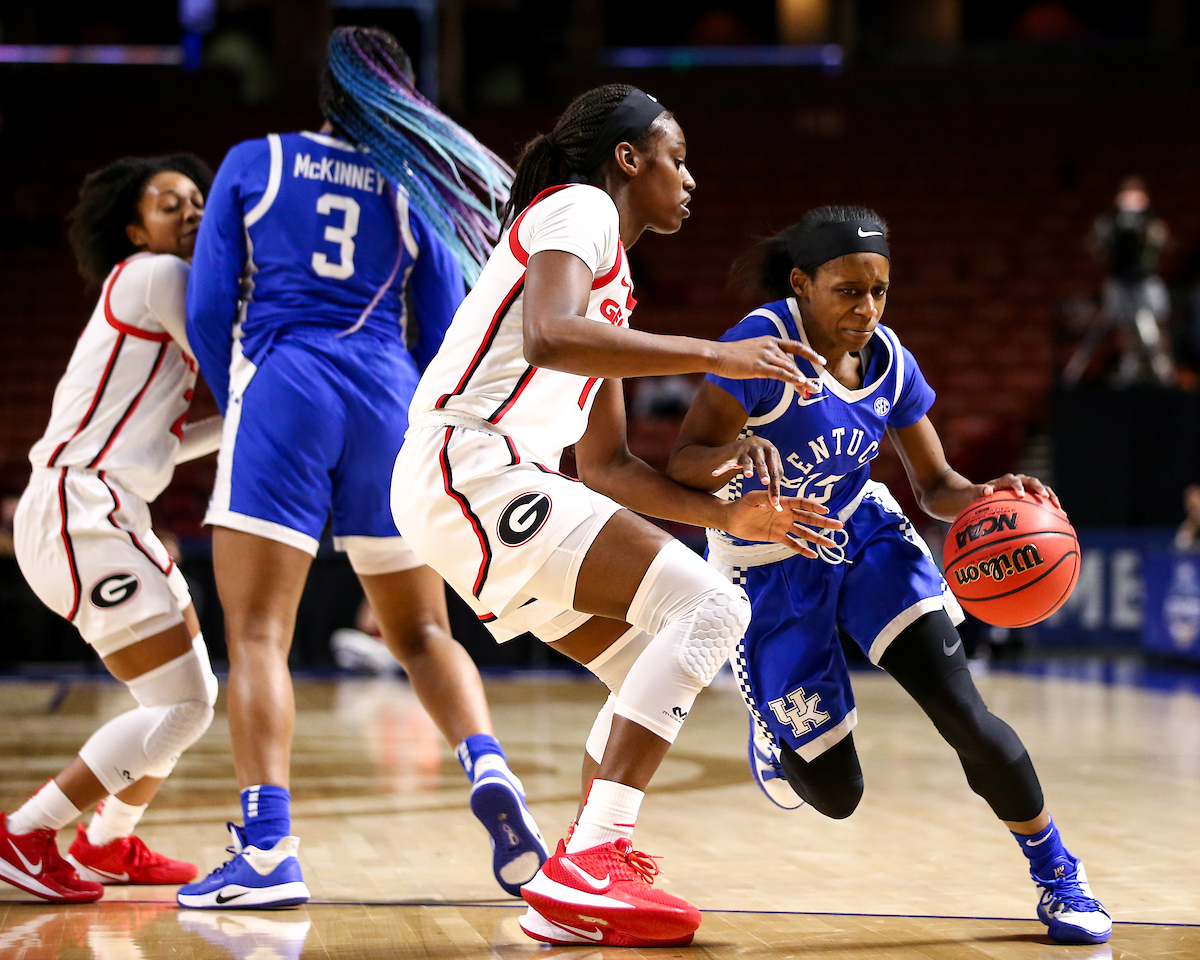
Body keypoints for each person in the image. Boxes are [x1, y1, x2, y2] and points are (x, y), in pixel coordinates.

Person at [392, 83, 842, 946]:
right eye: (677, 158)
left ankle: (570, 886)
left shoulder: (614, 286)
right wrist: (715, 353)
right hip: (470, 462)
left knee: (646, 663)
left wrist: (728, 516)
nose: (690, 178)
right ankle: (595, 857)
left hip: (486, 480)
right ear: (628, 159)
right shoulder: (581, 207)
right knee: (712, 609)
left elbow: (606, 467)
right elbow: (549, 335)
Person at [666, 206, 1113, 947]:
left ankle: (1059, 872)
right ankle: (776, 735)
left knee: (962, 711)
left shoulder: (890, 358)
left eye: (878, 291)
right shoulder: (759, 346)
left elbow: (935, 485)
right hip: (769, 563)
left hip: (862, 533)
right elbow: (683, 460)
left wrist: (988, 494)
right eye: (848, 291)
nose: (866, 308)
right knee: (836, 794)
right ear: (802, 284)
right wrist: (734, 456)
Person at [180, 27, 546, 909]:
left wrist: (246, 406)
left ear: (326, 91)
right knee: (421, 635)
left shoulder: (258, 159)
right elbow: (449, 331)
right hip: (389, 398)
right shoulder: (414, 190)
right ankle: (488, 765)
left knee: (259, 635)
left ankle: (266, 851)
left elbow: (206, 306)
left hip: (287, 383)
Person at [2, 154, 223, 903]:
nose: (190, 211)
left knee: (188, 696)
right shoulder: (155, 275)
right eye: (170, 204)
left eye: (197, 199)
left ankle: (106, 843)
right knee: (182, 706)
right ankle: (25, 834)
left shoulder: (156, 293)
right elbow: (233, 357)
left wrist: (239, 426)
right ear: (134, 230)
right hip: (80, 509)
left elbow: (163, 440)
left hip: (108, 508)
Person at [1064, 175, 1173, 386]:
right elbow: (1095, 247)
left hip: (1144, 281)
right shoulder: (1108, 223)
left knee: (1150, 330)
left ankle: (1165, 374)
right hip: (1119, 282)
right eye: (1127, 197)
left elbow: (1162, 247)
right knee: (1120, 326)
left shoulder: (1152, 222)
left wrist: (1152, 238)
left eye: (1136, 198)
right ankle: (1127, 367)